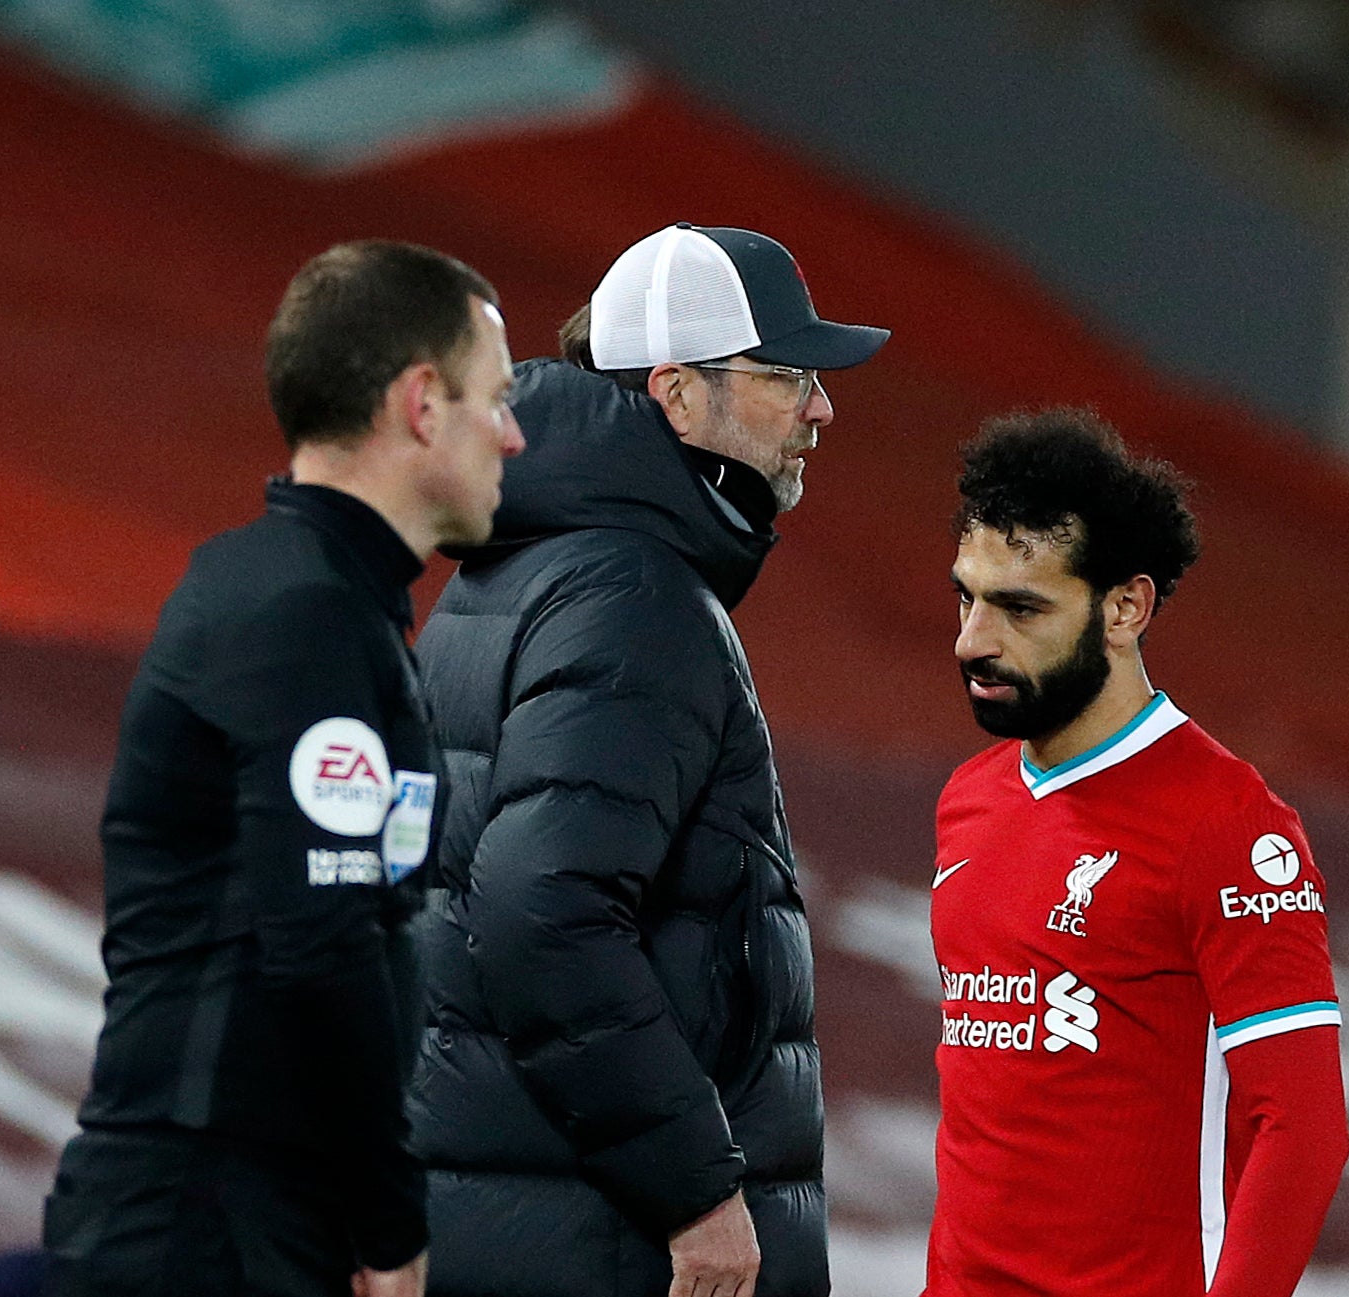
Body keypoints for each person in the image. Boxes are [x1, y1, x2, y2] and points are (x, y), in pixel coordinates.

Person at [407, 222, 888, 1297]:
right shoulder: (632, 596)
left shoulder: (527, 563)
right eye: (787, 375)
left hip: (521, 1212)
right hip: (606, 1242)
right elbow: (541, 912)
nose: (821, 408)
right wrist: (696, 1192)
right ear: (677, 393)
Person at [43, 240, 524, 1297]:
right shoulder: (302, 615)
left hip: (229, 1212)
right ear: (421, 403)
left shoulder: (318, 601)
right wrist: (387, 1221)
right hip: (206, 1227)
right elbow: (323, 943)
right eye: (495, 399)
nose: (514, 434)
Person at [926, 409, 1349, 1297]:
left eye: (1019, 607)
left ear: (1124, 607)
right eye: (966, 595)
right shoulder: (970, 798)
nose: (971, 639)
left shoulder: (1228, 825)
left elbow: (1301, 1127)